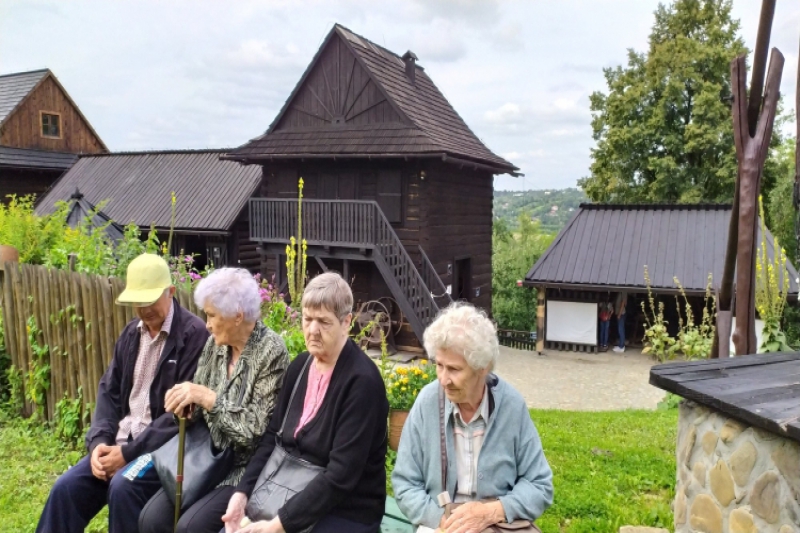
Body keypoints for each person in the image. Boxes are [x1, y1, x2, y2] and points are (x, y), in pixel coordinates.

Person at [36, 253, 209, 533]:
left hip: (160, 451)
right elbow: (109, 393)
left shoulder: (193, 335)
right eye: (137, 302)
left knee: (122, 487)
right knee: (65, 489)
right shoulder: (131, 335)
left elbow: (180, 416)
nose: (143, 309)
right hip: (119, 444)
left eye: (150, 300)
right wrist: (100, 445)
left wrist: (127, 454)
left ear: (171, 292)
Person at [109, 268, 290, 533]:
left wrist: (206, 398)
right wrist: (184, 404)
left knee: (189, 528)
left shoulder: (271, 352)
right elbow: (195, 403)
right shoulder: (215, 344)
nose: (206, 323)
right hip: (202, 457)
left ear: (237, 316)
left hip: (241, 469)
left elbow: (254, 430)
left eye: (212, 315)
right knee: (152, 519)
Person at [222, 272, 389, 533]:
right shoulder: (300, 366)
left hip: (347, 509)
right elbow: (271, 438)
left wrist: (279, 525)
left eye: (324, 322)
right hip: (287, 490)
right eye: (308, 319)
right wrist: (242, 494)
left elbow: (340, 477)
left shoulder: (362, 383)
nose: (312, 330)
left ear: (346, 322)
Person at [392, 302, 553, 533]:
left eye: (455, 369)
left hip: (496, 524)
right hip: (440, 524)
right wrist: (443, 522)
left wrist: (490, 512)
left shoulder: (511, 406)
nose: (444, 380)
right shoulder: (427, 403)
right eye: (439, 365)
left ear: (483, 368)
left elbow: (540, 485)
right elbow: (405, 484)